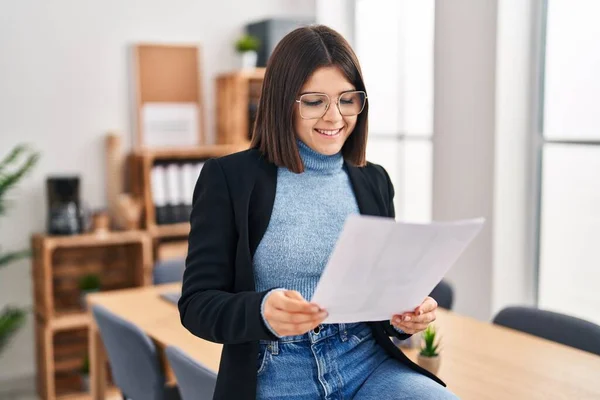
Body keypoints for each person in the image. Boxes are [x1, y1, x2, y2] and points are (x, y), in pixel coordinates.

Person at [179, 25, 458, 400]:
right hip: (277, 370)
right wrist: (261, 310)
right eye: (314, 102)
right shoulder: (230, 179)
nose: (334, 117)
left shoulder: (373, 181)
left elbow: (377, 301)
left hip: (365, 362)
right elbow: (197, 304)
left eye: (347, 100)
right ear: (284, 102)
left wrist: (404, 318)